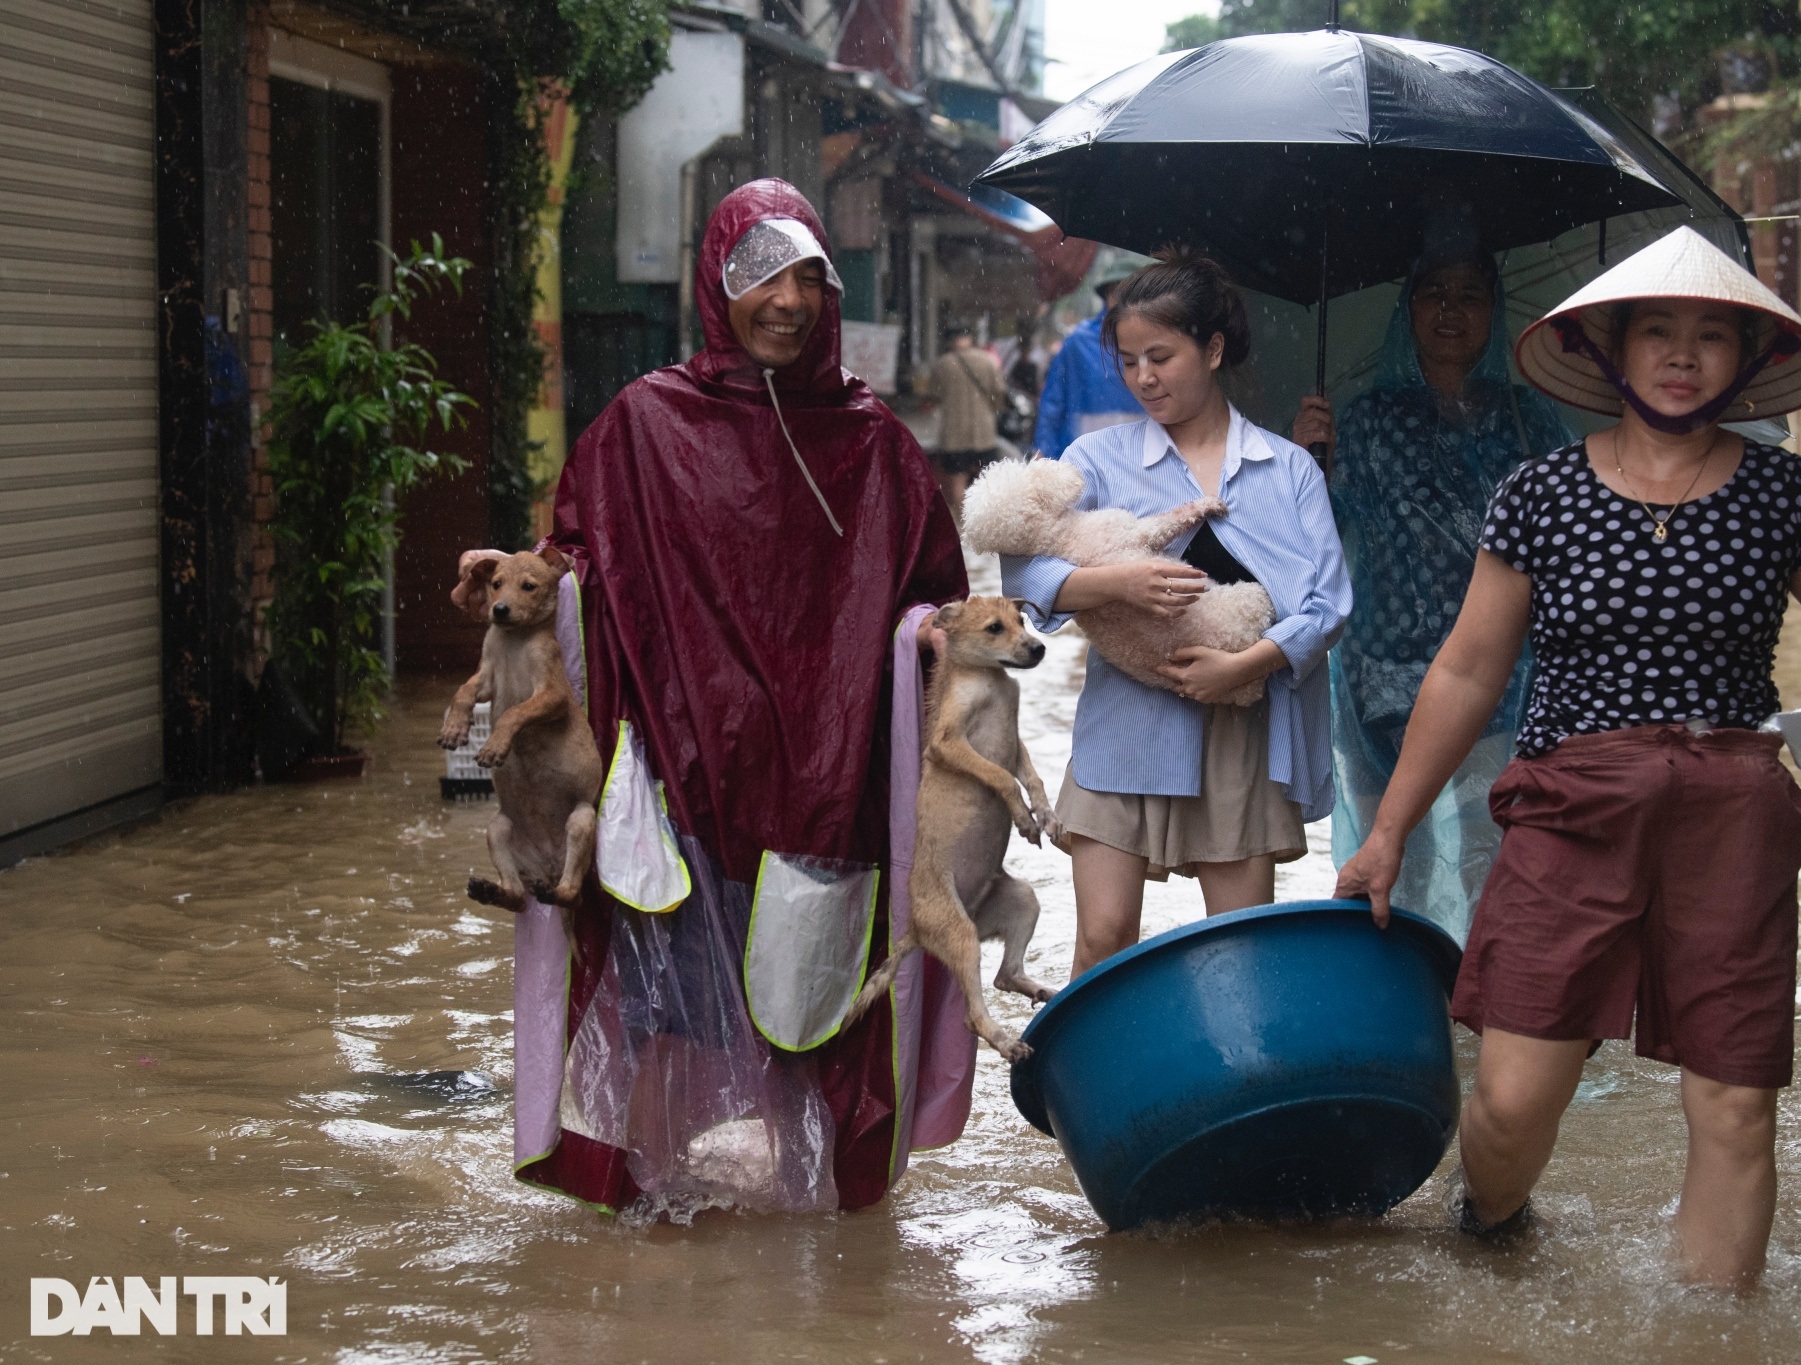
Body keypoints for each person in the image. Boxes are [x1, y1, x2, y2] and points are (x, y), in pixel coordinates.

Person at [1335, 227, 1801, 1288]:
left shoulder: (1780, 496)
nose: (1680, 353)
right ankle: (1488, 1231)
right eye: (1657, 332)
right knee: (1511, 1098)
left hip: (1731, 810)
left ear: (1747, 362)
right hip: (1569, 802)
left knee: (1733, 1102)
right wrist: (1387, 831)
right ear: (1611, 354)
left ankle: (1707, 1338)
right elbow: (1465, 673)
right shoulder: (1538, 496)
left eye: (1710, 336)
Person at [527, 180, 972, 1219]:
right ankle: (649, 1241)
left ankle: (807, 1255)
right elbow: (571, 568)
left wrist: (927, 636)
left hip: (826, 790)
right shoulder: (642, 424)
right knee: (665, 1021)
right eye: (759, 273)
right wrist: (513, 583)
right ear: (714, 285)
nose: (786, 298)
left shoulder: (872, 441)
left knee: (808, 1014)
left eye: (807, 274)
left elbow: (935, 596)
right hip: (684, 780)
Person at [1004, 253, 1351, 975]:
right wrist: (1117, 584)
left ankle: (1233, 1084)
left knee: (1239, 953)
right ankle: (1084, 1088)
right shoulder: (1096, 459)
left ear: (1213, 349)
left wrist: (1246, 664)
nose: (1144, 378)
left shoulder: (1285, 468)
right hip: (1126, 717)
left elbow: (1327, 602)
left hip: (1238, 728)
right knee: (1102, 941)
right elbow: (1025, 568)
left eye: (1160, 356)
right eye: (1129, 361)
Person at [1291, 245, 1577, 943]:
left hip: (1500, 679)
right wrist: (1303, 465)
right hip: (1376, 682)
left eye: (1470, 294)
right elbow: (1312, 552)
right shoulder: (1358, 421)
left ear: (1495, 310)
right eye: (1434, 294)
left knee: (1496, 865)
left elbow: (1566, 546)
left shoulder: (1528, 422)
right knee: (1394, 868)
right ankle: (1413, 1027)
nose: (1451, 312)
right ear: (1408, 309)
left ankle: (1484, 1032)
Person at [1032, 276, 1146, 459]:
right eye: (1117, 293)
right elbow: (1054, 400)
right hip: (1084, 456)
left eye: (1133, 294)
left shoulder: (1154, 342)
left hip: (1140, 453)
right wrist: (1043, 449)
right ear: (1106, 296)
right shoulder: (1079, 342)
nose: (1125, 301)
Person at [928, 325, 1007, 522]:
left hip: (955, 433)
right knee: (988, 479)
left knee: (957, 478)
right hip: (984, 431)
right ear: (970, 338)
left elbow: (933, 398)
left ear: (949, 341)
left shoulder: (942, 364)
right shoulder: (987, 361)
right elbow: (999, 392)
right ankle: (988, 520)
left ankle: (965, 524)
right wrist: (991, 407)